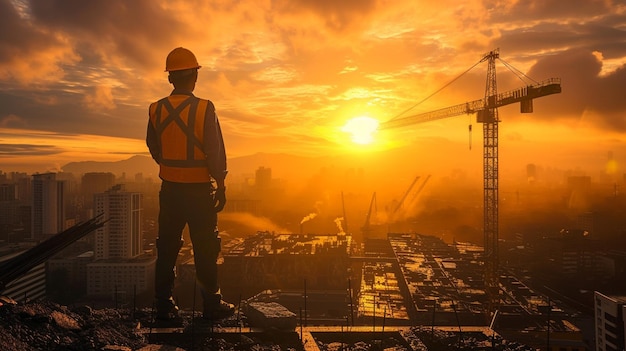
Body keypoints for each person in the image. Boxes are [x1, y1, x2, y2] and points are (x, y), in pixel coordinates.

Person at [146, 47, 233, 321]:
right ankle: (211, 305)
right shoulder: (204, 108)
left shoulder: (156, 109)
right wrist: (220, 183)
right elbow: (214, 150)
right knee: (205, 247)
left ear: (170, 78)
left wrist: (169, 164)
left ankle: (163, 304)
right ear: (195, 75)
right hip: (198, 191)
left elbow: (153, 144)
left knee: (168, 247)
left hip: (169, 190)